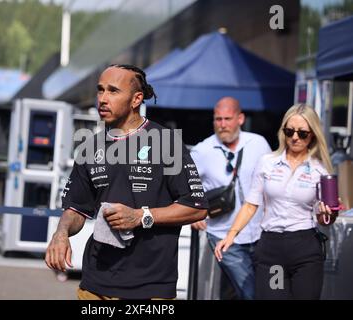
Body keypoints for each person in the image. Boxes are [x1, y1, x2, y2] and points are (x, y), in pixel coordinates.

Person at [45, 64, 208, 300]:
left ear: (136, 99)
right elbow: (76, 209)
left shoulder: (166, 143)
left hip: (150, 288)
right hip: (95, 285)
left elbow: (196, 207)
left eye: (113, 91)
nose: (102, 98)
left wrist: (141, 216)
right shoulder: (90, 147)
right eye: (100, 90)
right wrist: (61, 233)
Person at [215, 104, 337, 300]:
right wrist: (231, 235)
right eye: (289, 131)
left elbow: (324, 219)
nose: (295, 137)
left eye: (302, 133)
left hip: (305, 248)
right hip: (273, 250)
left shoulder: (319, 171)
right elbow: (251, 204)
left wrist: (329, 215)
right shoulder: (267, 162)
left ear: (313, 135)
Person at [190, 97, 271, 300]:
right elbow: (179, 186)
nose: (223, 125)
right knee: (251, 292)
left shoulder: (258, 143)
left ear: (240, 118)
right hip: (223, 236)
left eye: (227, 118)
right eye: (218, 119)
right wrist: (192, 213)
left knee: (258, 290)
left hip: (261, 233)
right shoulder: (203, 150)